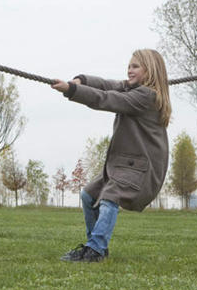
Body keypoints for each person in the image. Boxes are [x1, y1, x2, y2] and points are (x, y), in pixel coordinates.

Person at [52, 49, 171, 262]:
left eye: (135, 66)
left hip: (143, 168)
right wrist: (82, 80)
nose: (129, 70)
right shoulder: (132, 89)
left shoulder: (146, 96)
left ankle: (95, 249)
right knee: (89, 195)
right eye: (129, 66)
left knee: (110, 196)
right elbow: (107, 85)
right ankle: (95, 247)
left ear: (150, 70)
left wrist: (72, 90)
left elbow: (106, 99)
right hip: (124, 164)